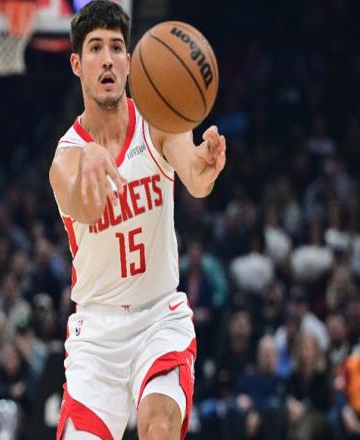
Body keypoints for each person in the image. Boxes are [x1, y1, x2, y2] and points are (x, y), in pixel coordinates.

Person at [48, 1, 226, 439]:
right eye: (95, 48)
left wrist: (204, 166)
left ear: (129, 61)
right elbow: (86, 209)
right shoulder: (66, 158)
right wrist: (90, 161)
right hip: (97, 334)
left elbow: (194, 178)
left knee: (159, 424)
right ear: (77, 64)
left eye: (116, 47)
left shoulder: (159, 122)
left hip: (158, 318)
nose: (107, 58)